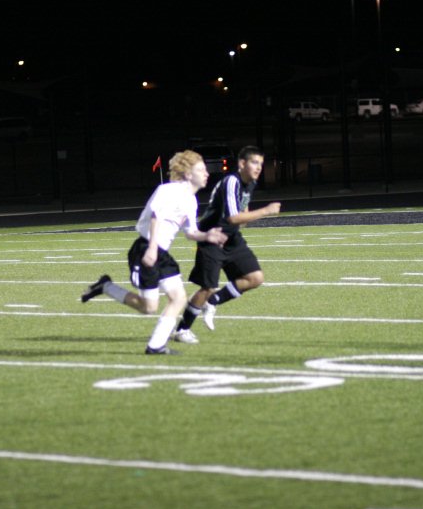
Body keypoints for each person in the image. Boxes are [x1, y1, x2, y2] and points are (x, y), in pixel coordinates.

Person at [80, 150, 227, 355]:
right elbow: (156, 216)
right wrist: (151, 248)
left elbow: (191, 233)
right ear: (187, 173)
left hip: (162, 253)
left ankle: (156, 346)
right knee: (148, 307)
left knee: (178, 298)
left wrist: (207, 235)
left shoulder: (191, 200)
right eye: (201, 169)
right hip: (146, 248)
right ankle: (106, 287)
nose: (207, 173)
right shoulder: (169, 190)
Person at [173, 145, 281, 344]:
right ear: (242, 163)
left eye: (261, 164)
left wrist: (246, 215)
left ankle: (213, 302)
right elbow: (232, 217)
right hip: (212, 237)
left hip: (231, 238)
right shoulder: (232, 181)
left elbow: (242, 213)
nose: (259, 167)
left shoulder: (250, 183)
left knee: (255, 277)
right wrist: (265, 211)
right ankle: (182, 329)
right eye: (254, 162)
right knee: (207, 287)